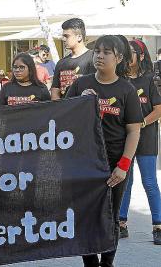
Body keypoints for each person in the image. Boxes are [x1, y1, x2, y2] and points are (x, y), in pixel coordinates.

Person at [66, 35, 143, 267]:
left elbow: (134, 131)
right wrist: (80, 102)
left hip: (114, 162)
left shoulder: (127, 90)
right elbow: (65, 118)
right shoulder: (81, 84)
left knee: (110, 216)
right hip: (85, 161)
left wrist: (124, 166)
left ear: (119, 58)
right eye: (97, 51)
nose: (99, 55)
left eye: (106, 52)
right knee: (85, 214)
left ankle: (107, 262)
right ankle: (90, 262)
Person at [118, 39, 161, 245]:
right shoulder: (121, 81)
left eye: (132, 52)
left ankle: (158, 226)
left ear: (141, 56)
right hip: (125, 140)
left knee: (150, 182)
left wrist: (140, 123)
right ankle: (121, 223)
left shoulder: (149, 80)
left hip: (146, 138)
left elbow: (159, 109)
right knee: (125, 181)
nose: (127, 56)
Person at [51, 18, 96, 100]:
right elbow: (55, 90)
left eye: (66, 36)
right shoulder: (61, 63)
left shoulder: (94, 58)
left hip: (86, 109)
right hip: (65, 110)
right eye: (63, 36)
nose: (63, 39)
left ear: (79, 37)